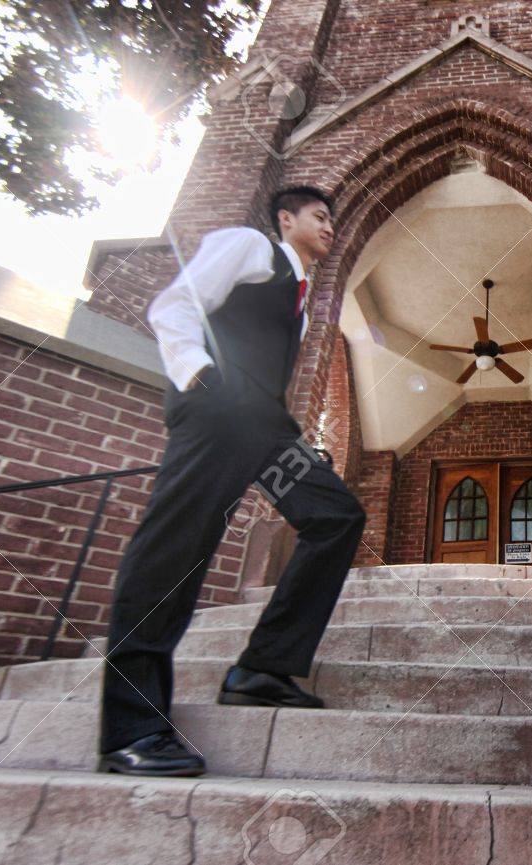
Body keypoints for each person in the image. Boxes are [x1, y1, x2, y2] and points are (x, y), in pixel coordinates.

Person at [97, 186, 366, 777]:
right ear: (285, 218)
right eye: (319, 217)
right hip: (219, 410)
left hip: (267, 429)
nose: (329, 228)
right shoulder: (248, 246)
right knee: (175, 550)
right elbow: (175, 306)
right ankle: (131, 729)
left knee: (337, 516)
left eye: (331, 221)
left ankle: (262, 670)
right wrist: (202, 378)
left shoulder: (301, 295)